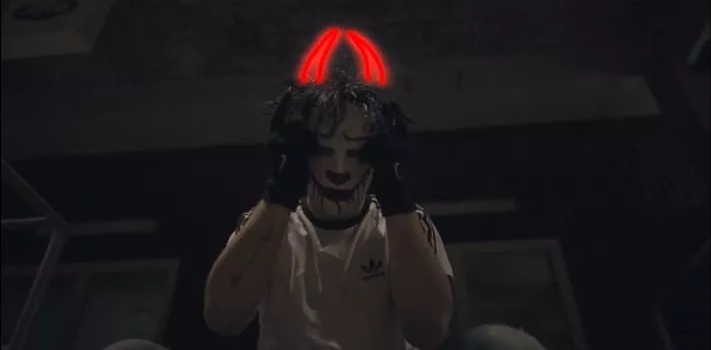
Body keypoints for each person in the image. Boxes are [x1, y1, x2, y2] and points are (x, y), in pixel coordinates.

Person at [204, 73, 548, 350]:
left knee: (503, 344)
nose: (338, 169)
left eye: (355, 153)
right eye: (323, 150)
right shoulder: (267, 224)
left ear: (376, 156)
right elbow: (222, 318)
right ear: (303, 153)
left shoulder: (406, 224)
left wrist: (395, 197)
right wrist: (279, 193)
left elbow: (428, 331)